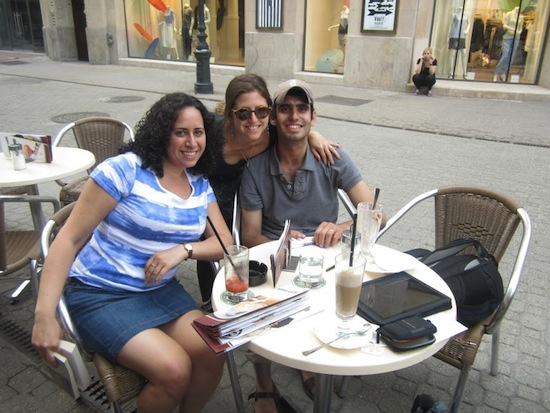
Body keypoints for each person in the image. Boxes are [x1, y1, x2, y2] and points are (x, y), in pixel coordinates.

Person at [31, 93, 232, 413]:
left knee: (214, 345)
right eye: (181, 132)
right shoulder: (124, 170)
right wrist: (43, 314)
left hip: (160, 291)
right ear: (161, 132)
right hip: (101, 293)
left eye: (199, 132)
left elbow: (223, 243)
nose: (192, 142)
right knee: (174, 369)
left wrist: (184, 250)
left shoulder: (198, 182)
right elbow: (68, 239)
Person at [239, 79, 386, 412]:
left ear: (313, 117)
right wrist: (279, 242)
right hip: (274, 253)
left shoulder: (331, 156)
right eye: (286, 108)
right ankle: (264, 383)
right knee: (252, 307)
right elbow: (249, 236)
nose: (295, 115)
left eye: (302, 108)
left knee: (334, 301)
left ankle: (310, 361)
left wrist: (341, 226)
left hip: (324, 259)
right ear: (274, 118)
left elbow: (376, 214)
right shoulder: (256, 167)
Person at [196, 74, 340, 309]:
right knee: (214, 245)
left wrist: (314, 135)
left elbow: (296, 130)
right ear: (230, 114)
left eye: (261, 112)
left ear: (269, 114)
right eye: (243, 113)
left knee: (229, 241)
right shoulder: (212, 132)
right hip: (204, 190)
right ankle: (210, 303)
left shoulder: (270, 133)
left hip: (239, 188)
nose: (254, 119)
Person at [494, 7, 524, 82]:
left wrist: (518, 32)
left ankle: (504, 73)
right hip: (507, 37)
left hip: (516, 38)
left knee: (511, 57)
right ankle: (497, 72)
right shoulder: (509, 14)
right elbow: (504, 26)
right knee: (505, 54)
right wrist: (513, 30)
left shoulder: (521, 17)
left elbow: (520, 29)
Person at [447, 7, 470, 79]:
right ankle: (451, 73)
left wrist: (466, 30)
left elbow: (469, 24)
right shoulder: (455, 15)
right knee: (453, 54)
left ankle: (464, 73)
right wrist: (448, 37)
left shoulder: (466, 15)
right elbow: (451, 26)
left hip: (462, 36)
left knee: (464, 53)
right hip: (454, 35)